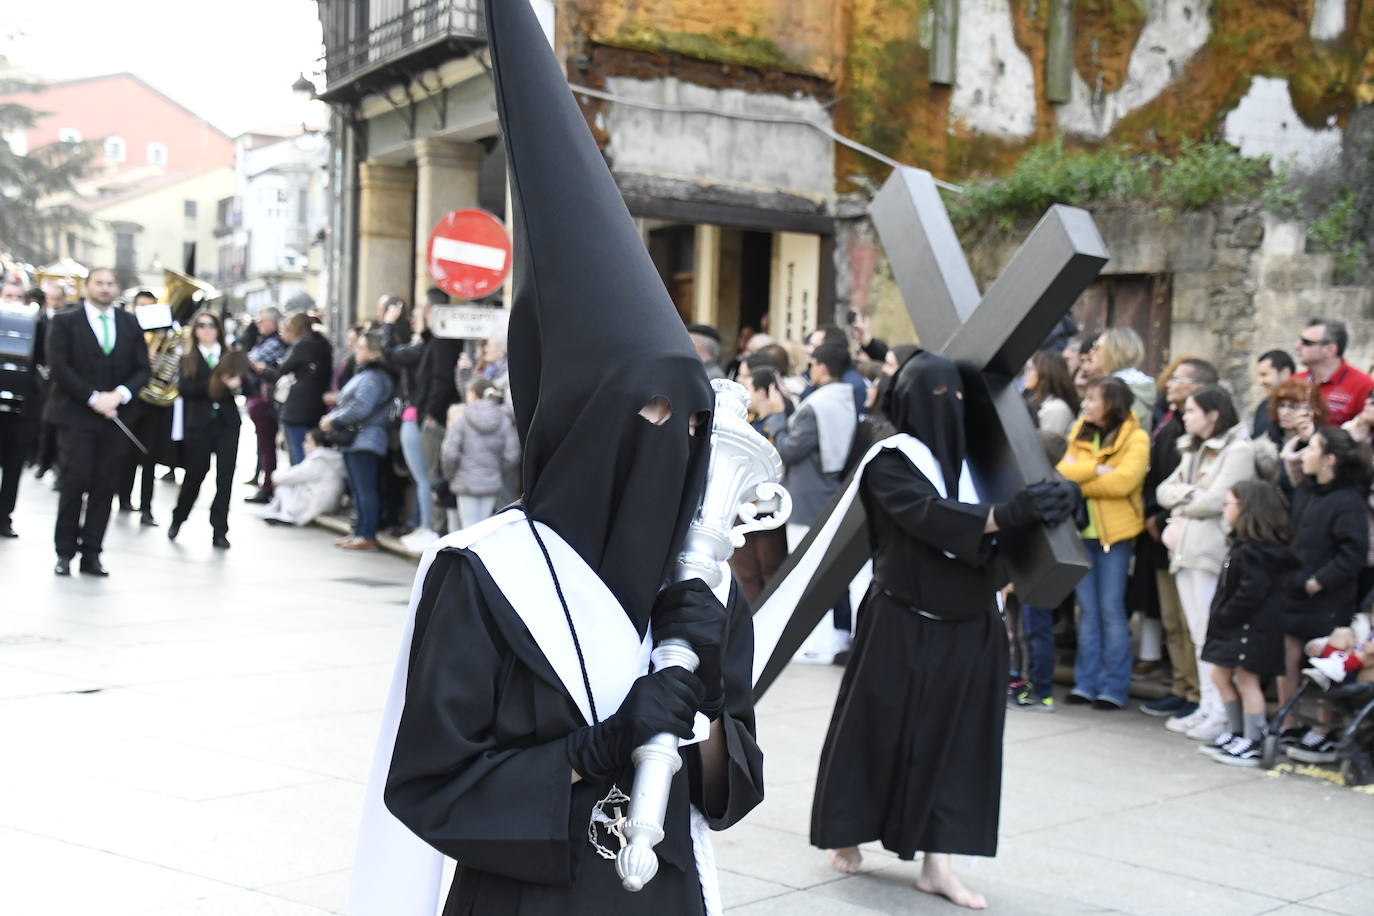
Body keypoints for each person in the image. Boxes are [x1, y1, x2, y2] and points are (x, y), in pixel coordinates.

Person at [350, 1, 763, 908]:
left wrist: (702, 702)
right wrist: (601, 749)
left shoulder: (703, 581)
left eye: (691, 420)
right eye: (649, 418)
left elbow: (733, 790)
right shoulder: (485, 576)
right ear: (585, 427)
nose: (677, 445)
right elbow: (432, 784)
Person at [812, 350, 1076, 909]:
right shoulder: (889, 461)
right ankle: (849, 829)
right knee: (876, 731)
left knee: (960, 747)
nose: (948, 408)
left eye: (956, 398)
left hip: (971, 623)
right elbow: (928, 516)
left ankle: (939, 864)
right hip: (900, 618)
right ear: (908, 404)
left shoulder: (982, 465)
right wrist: (1010, 513)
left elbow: (1018, 524)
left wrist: (1059, 502)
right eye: (935, 398)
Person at [1156, 386, 1257, 741]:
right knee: (1198, 633)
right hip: (1186, 549)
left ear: (1213, 414)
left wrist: (1182, 502)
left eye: (1192, 410)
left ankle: (1221, 711)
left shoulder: (1238, 450)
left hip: (1211, 551)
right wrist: (1188, 498)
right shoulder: (1192, 448)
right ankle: (1206, 705)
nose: (1185, 416)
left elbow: (1217, 501)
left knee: (1210, 634)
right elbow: (1163, 489)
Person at [42, 267, 150, 576]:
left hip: (115, 417)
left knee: (105, 486)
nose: (105, 288)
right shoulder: (65, 321)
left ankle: (92, 552)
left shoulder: (130, 323)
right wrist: (93, 398)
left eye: (110, 283)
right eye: (99, 283)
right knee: (74, 482)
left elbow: (142, 368)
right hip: (75, 415)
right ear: (88, 286)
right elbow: (59, 366)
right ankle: (65, 552)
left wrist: (119, 395)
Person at [1276, 427, 1371, 762]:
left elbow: (1353, 553)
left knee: (1326, 663)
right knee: (1284, 657)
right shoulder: (1306, 491)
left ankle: (1323, 730)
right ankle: (1287, 723)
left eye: (1312, 448)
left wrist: (1320, 581)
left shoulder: (1348, 500)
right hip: (1294, 589)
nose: (1304, 454)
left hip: (1328, 596)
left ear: (1330, 459)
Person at [1056, 376, 1149, 710]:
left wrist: (1081, 475)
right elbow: (1060, 472)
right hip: (1082, 534)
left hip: (1116, 538)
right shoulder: (1079, 430)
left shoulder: (1136, 437)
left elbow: (1124, 482)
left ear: (1111, 403)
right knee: (1088, 612)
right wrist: (1099, 469)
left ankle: (1113, 686)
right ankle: (1086, 682)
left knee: (1111, 610)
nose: (1086, 405)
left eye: (1093, 399)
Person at [1137, 358, 1218, 719]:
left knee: (1192, 622)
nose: (1169, 384)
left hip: (1187, 535)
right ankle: (1182, 686)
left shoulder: (1209, 441)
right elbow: (1166, 483)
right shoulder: (1171, 422)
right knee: (1171, 618)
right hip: (1161, 531)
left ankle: (1200, 693)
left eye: (1180, 380)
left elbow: (1192, 489)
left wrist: (1165, 509)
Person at [1198, 480, 1298, 766]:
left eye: (1229, 503)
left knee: (1247, 679)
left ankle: (1253, 739)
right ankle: (1237, 730)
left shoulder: (1259, 552)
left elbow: (1251, 592)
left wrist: (1226, 614)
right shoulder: (1243, 546)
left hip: (1251, 627)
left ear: (1247, 509)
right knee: (1220, 675)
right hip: (1237, 625)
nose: (1225, 509)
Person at [166, 311, 243, 549]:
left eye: (211, 325)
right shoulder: (188, 357)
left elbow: (247, 383)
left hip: (227, 423)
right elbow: (186, 389)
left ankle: (220, 529)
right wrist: (218, 383)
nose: (207, 330)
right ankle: (179, 517)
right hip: (199, 423)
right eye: (201, 325)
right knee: (195, 474)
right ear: (195, 330)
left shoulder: (230, 355)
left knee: (225, 477)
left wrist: (237, 384)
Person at [321, 329, 395, 550]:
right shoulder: (365, 374)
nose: (356, 350)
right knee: (357, 488)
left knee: (365, 488)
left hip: (367, 438)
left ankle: (367, 533)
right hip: (356, 439)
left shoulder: (375, 377)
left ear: (373, 352)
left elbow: (361, 407)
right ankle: (359, 531)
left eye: (361, 347)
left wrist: (333, 420)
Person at [439, 377, 520, 530]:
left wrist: (451, 474)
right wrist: (497, 471)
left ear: (474, 395)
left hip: (465, 480)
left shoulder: (462, 417)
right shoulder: (503, 419)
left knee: (467, 527)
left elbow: (449, 452)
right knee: (483, 528)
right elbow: (512, 454)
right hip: (491, 480)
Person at [260, 310, 332, 467]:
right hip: (316, 407)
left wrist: (262, 370)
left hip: (297, 409)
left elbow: (281, 371)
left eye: (286, 330)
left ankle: (301, 492)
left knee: (298, 459)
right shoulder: (323, 343)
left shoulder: (302, 345)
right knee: (311, 458)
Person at [0, 280, 35, 537]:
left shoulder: (36, 325)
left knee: (13, 467)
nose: (13, 300)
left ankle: (4, 517)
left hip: (21, 410)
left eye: (18, 296)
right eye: (8, 295)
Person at [255, 428, 346, 526]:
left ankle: (287, 516)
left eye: (308, 441)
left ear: (319, 444)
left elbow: (288, 476)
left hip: (318, 504)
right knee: (290, 484)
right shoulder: (331, 458)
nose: (304, 444)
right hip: (329, 503)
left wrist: (275, 476)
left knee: (284, 486)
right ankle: (275, 510)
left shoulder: (318, 460)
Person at [244, 307, 288, 504]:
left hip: (266, 400)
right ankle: (263, 480)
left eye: (262, 321)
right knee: (263, 445)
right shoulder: (264, 340)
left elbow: (251, 361)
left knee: (267, 446)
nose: (258, 325)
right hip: (259, 398)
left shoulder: (275, 344)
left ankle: (267, 486)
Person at [1295, 317, 1374, 425]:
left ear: (1330, 349)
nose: (1297, 346)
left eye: (1306, 343)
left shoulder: (1363, 385)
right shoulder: (1294, 381)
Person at [1082, 327, 1155, 427]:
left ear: (1113, 352)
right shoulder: (1131, 386)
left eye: (1097, 347)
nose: (1091, 352)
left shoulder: (1119, 391)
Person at [1270, 377, 1329, 493]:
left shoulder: (1318, 441)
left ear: (1311, 411)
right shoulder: (1271, 436)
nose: (1285, 412)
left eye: (1293, 406)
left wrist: (1305, 440)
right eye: (1281, 405)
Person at [804, 325, 868, 417]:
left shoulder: (851, 386)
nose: (808, 350)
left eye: (814, 346)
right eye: (809, 345)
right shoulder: (815, 376)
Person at [1022, 349, 1078, 437]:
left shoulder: (1057, 408)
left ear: (1044, 373)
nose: (1026, 373)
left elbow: (1046, 447)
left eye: (1030, 369)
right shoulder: (1034, 398)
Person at [1253, 349, 1295, 441]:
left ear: (1285, 373)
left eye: (1264, 375)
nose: (1260, 382)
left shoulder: (1302, 405)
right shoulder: (1264, 406)